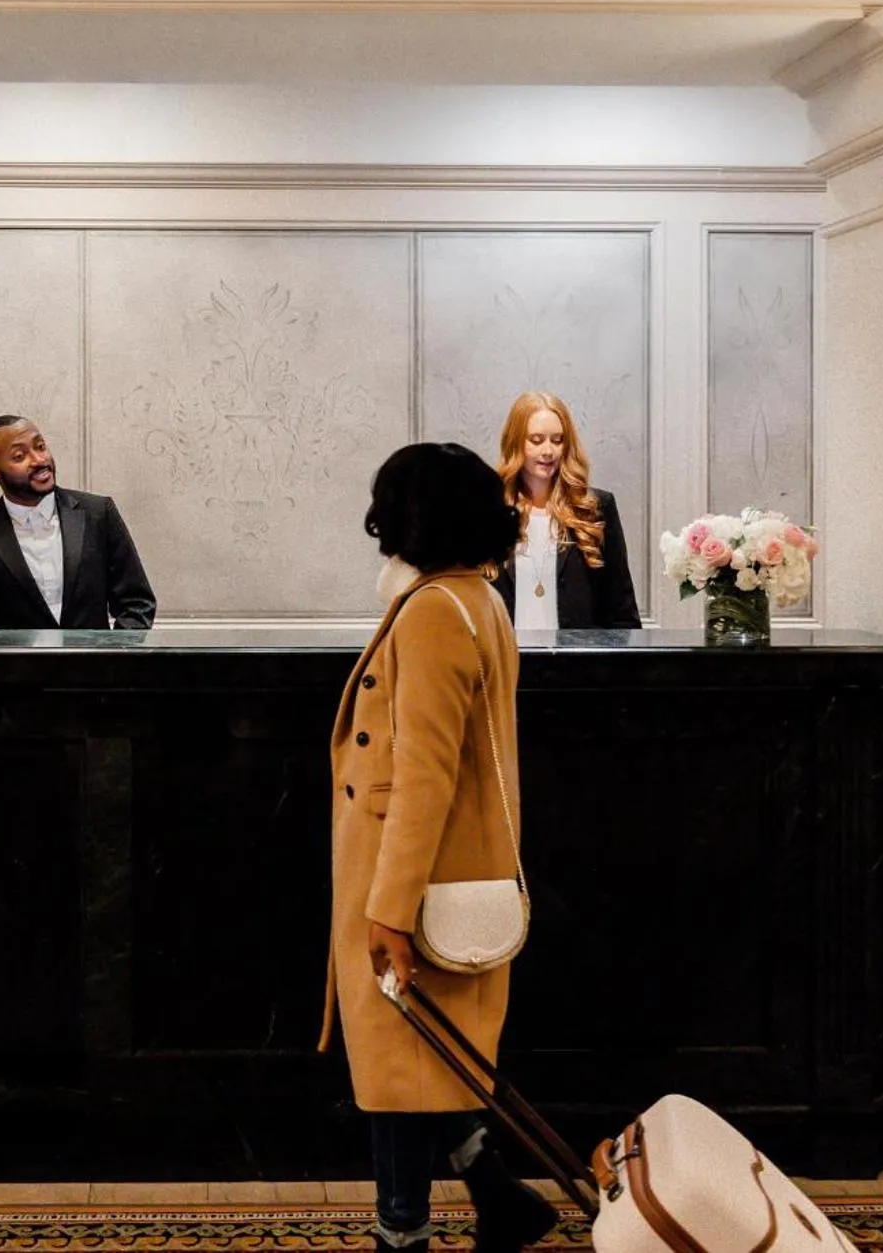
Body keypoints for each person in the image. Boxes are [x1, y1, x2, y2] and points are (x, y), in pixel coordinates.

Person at [320, 442, 557, 1253]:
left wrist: (388, 912)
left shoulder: (431, 612)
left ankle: (404, 1231)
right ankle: (497, 1194)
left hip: (414, 885)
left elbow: (423, 778)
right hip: (448, 873)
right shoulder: (477, 599)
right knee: (424, 1064)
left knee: (395, 1079)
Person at [0, 415, 157, 630]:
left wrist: (115, 662)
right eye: (19, 456)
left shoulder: (98, 514)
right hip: (14, 670)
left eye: (40, 447)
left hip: (97, 668)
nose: (39, 460)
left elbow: (136, 602)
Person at [490, 392, 641, 630]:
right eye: (536, 440)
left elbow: (622, 611)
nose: (548, 451)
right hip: (507, 663)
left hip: (577, 664)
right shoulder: (489, 510)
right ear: (515, 442)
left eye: (557, 440)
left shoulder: (596, 508)